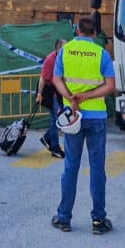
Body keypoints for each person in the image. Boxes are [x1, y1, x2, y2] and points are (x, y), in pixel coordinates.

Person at [51, 17, 116, 235]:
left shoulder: (65, 51)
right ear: (95, 33)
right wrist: (87, 96)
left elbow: (56, 79)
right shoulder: (101, 54)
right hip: (96, 116)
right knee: (97, 168)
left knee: (71, 166)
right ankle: (98, 220)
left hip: (73, 116)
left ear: (77, 31)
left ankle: (64, 218)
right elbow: (110, 86)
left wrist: (71, 97)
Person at [36, 39, 65, 157]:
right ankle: (54, 148)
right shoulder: (50, 59)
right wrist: (39, 94)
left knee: (58, 119)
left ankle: (47, 138)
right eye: (64, 47)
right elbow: (42, 78)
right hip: (50, 92)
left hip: (59, 92)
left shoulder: (64, 58)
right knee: (55, 119)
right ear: (58, 48)